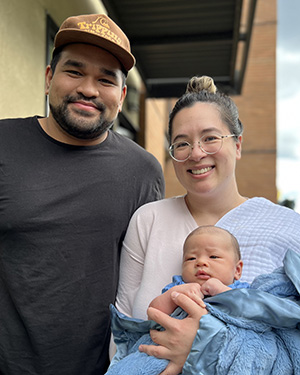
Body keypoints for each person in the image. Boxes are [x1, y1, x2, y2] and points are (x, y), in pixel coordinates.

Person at [0, 13, 164, 375]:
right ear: (48, 78)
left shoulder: (143, 171)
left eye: (106, 79)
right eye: (74, 72)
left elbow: (147, 279)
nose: (89, 89)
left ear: (121, 96)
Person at [115, 75, 300, 374]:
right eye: (182, 143)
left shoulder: (288, 227)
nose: (197, 153)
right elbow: (123, 332)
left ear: (237, 144)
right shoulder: (148, 220)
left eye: (211, 138)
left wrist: (206, 348)